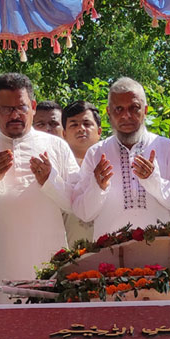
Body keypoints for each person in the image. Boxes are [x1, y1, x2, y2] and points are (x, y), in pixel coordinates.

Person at [0, 73, 79, 304]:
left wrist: (50, 181)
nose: (14, 115)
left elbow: (76, 204)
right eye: (6, 109)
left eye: (20, 107)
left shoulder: (57, 146)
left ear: (32, 106)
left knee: (45, 333)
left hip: (45, 262)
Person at [72, 77, 170, 239]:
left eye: (134, 108)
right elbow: (83, 213)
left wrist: (154, 181)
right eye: (118, 109)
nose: (126, 116)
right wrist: (97, 187)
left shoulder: (168, 148)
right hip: (110, 255)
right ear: (109, 112)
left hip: (158, 253)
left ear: (145, 110)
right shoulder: (96, 154)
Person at [61, 100, 101, 246]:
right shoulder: (56, 168)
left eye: (87, 123)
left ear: (99, 131)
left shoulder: (112, 164)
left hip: (110, 249)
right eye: (74, 124)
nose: (81, 129)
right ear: (64, 133)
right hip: (69, 253)